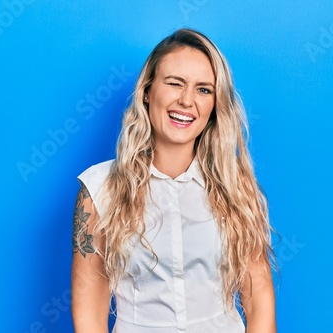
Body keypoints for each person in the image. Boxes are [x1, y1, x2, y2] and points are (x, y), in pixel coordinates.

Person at [71, 28, 276, 333]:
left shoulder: (235, 184)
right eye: (174, 83)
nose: (186, 100)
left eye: (204, 90)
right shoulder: (99, 188)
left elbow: (258, 296)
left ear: (215, 105)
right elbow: (89, 309)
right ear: (147, 91)